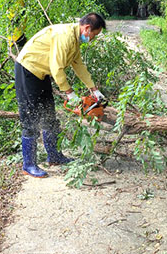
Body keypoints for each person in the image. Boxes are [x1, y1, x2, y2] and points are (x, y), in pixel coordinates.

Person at [14, 12, 106, 178]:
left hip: (42, 74)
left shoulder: (75, 40)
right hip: (27, 70)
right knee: (31, 118)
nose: (93, 38)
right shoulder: (64, 36)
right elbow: (57, 69)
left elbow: (79, 66)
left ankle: (54, 156)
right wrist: (70, 93)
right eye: (94, 34)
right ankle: (28, 164)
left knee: (49, 116)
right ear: (87, 28)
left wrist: (94, 89)